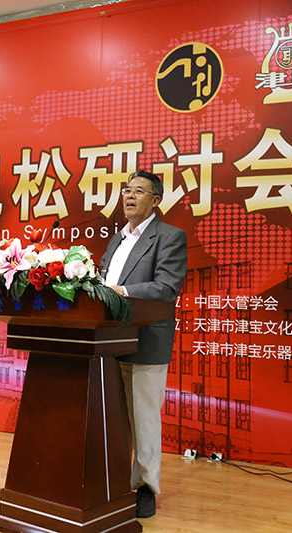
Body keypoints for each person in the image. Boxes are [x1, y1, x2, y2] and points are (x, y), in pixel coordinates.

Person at [101, 170, 188, 518]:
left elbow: (167, 287)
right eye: (126, 190)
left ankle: (145, 488)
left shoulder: (169, 236)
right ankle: (115, 481)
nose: (129, 196)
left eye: (138, 191)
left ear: (155, 201)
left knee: (144, 419)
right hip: (109, 341)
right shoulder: (117, 239)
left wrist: (121, 291)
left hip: (146, 340)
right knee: (115, 419)